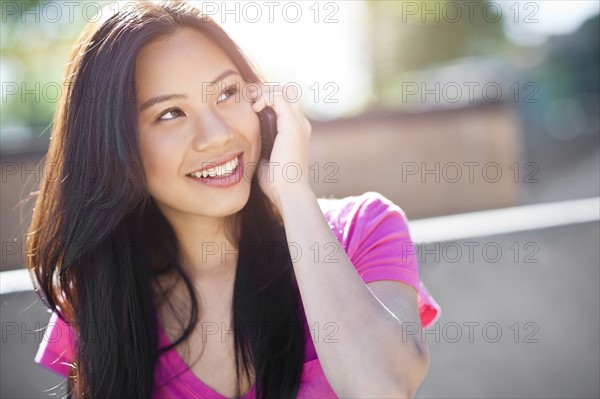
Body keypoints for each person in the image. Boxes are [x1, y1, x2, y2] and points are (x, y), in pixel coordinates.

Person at [27, 1, 440, 398]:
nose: (218, 134)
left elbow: (381, 388)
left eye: (226, 93)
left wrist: (292, 190)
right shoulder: (97, 292)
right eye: (170, 113)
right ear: (115, 147)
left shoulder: (363, 230)